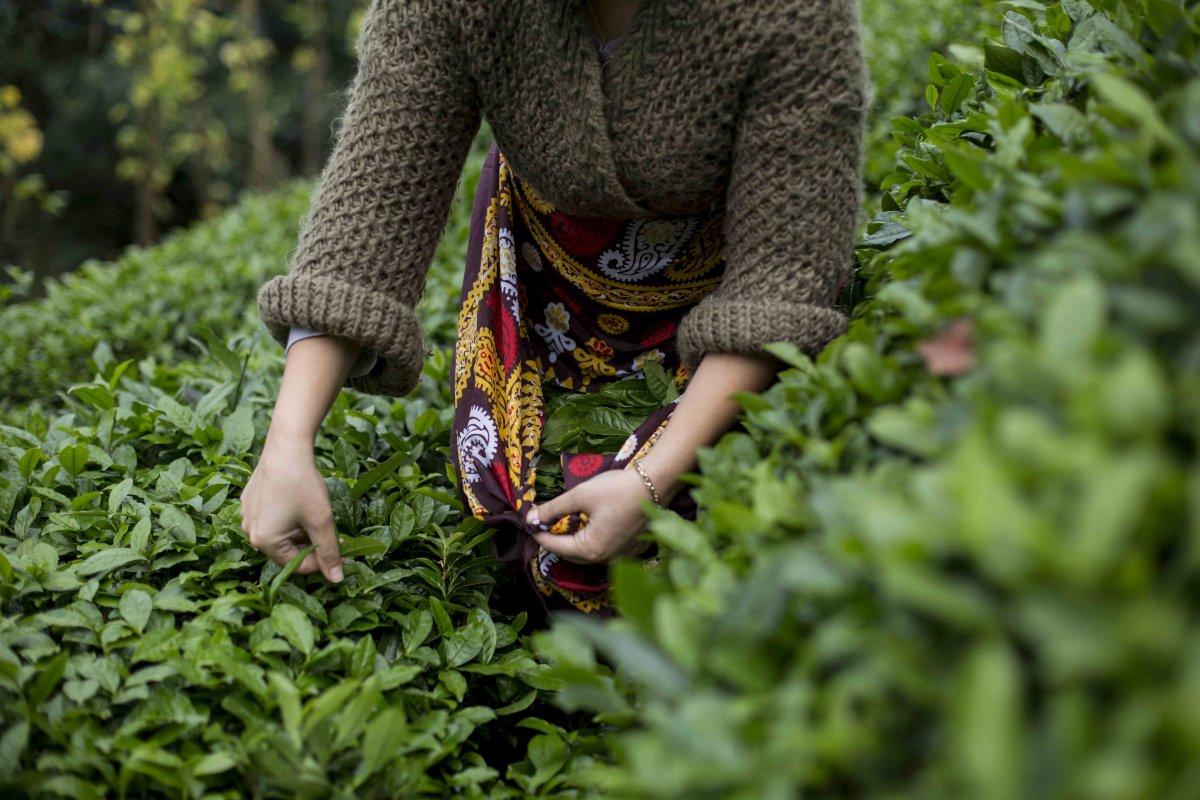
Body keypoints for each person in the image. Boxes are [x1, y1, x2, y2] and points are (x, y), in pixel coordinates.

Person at [239, 0, 868, 615]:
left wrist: (654, 480)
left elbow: (783, 277)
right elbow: (372, 204)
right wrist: (288, 440)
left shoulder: (792, 13)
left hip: (728, 296)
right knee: (519, 521)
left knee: (705, 554)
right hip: (546, 286)